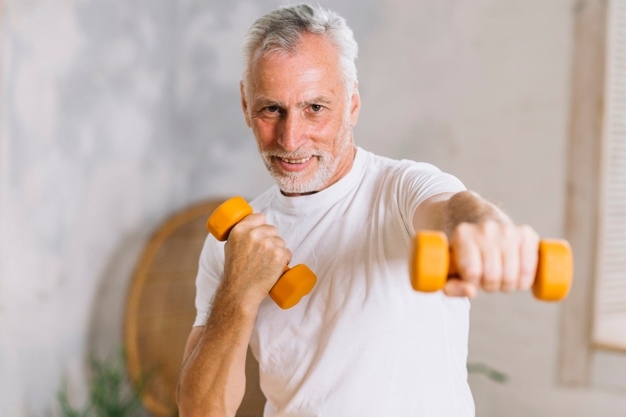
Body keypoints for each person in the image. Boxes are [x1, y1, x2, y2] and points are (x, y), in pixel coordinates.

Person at [176, 4, 540, 417]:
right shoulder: (236, 244)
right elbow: (200, 411)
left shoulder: (401, 190)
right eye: (271, 109)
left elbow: (455, 209)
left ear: (351, 105)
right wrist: (238, 293)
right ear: (245, 105)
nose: (291, 139)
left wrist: (486, 228)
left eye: (315, 108)